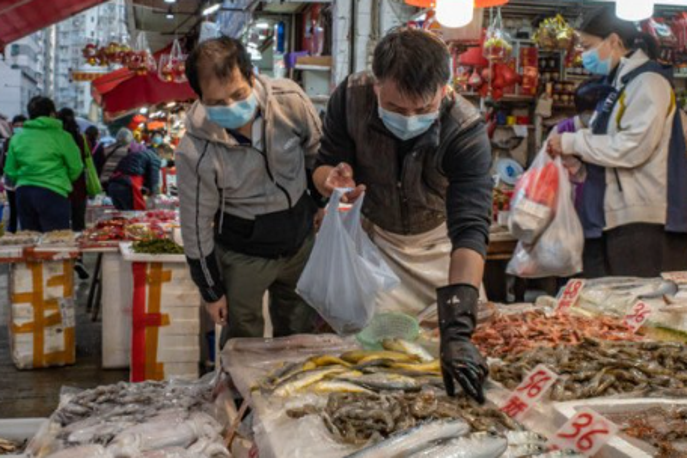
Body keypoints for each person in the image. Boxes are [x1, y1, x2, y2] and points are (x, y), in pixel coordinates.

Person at [312, 28, 493, 403]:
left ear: (445, 89)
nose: (409, 117)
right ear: (377, 85)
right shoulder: (350, 99)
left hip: (441, 251)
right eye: (395, 109)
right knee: (374, 370)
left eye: (423, 109)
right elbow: (322, 164)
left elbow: (470, 229)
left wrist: (458, 332)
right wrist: (330, 182)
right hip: (378, 247)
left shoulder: (466, 130)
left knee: (450, 373)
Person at [177, 37, 322, 345]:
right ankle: (241, 394)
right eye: (216, 102)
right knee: (243, 341)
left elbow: (316, 154)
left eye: (238, 94)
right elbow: (195, 225)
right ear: (199, 98)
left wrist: (320, 201)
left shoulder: (290, 101)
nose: (231, 107)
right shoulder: (194, 149)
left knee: (298, 333)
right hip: (243, 256)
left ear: (252, 76)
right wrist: (211, 290)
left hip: (301, 244)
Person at [548, 7, 687, 277]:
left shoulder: (649, 83)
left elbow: (631, 147)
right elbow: (609, 145)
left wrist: (572, 143)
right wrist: (578, 163)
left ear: (613, 41)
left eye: (587, 45)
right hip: (615, 220)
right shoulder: (621, 87)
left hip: (644, 223)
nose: (583, 54)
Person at [4, 97, 83, 232]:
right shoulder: (63, 136)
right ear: (52, 114)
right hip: (53, 192)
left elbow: (10, 170)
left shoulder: (17, 138)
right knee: (56, 244)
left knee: (30, 243)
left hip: (24, 193)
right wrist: (61, 179)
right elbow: (76, 167)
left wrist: (26, 176)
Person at [57, 108, 88, 232]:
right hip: (79, 184)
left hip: (60, 183)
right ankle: (78, 249)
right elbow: (85, 159)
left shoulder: (58, 137)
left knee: (61, 224)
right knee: (78, 222)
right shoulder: (80, 138)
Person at [106, 140, 161, 211]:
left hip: (113, 185)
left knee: (122, 216)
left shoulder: (140, 154)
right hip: (128, 185)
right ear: (162, 152)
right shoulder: (155, 158)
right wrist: (154, 194)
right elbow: (153, 179)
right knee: (135, 215)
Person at [1, 115, 27, 233]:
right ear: (12, 127)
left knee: (25, 209)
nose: (19, 128)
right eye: (17, 126)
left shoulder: (29, 142)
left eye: (22, 126)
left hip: (25, 181)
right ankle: (13, 232)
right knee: (14, 209)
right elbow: (2, 163)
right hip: (11, 183)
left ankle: (26, 231)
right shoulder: (8, 141)